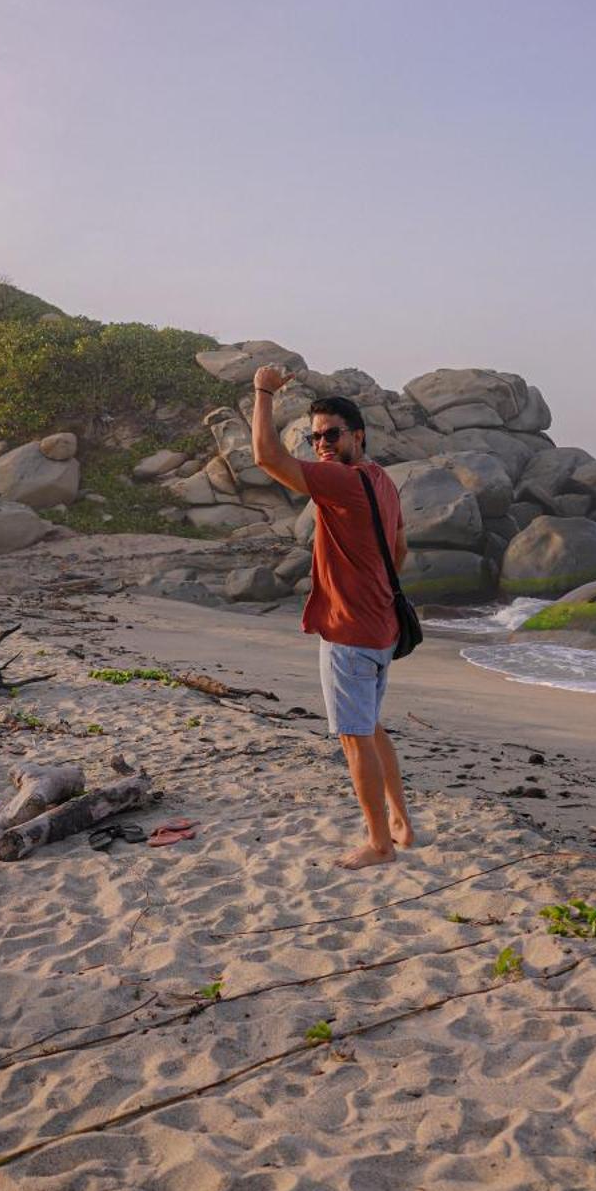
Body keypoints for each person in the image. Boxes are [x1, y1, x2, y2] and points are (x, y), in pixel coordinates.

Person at [250, 365, 414, 869]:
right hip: (381, 627)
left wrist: (262, 392)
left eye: (331, 434)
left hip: (349, 631)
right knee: (371, 726)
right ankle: (402, 826)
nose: (321, 443)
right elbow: (401, 548)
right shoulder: (381, 480)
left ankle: (379, 844)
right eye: (314, 436)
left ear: (356, 436)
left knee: (355, 737)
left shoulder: (342, 482)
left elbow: (265, 457)